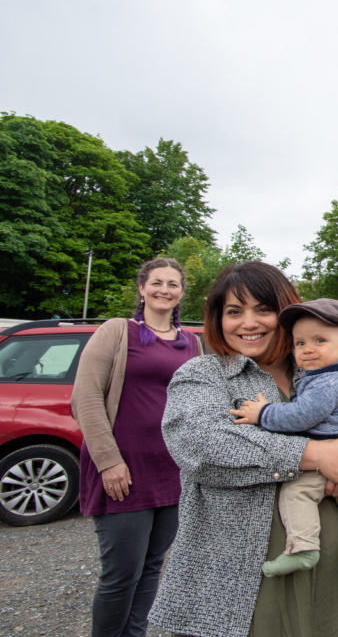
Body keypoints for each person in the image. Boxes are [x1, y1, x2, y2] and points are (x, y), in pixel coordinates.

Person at [148, 262, 338, 637]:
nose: (248, 323)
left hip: (333, 560)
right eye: (234, 312)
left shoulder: (317, 369)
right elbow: (202, 445)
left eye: (263, 309)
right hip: (242, 573)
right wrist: (318, 456)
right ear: (218, 319)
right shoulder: (205, 375)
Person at [71, 257, 200, 637]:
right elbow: (86, 397)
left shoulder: (190, 342)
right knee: (121, 573)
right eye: (156, 282)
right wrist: (109, 462)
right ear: (141, 288)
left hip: (171, 472)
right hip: (124, 471)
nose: (164, 290)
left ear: (181, 293)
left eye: (173, 284)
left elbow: (196, 402)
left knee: (151, 566)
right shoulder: (117, 331)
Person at [229, 298, 338, 591]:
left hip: (331, 453)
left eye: (319, 340)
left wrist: (262, 413)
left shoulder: (326, 382)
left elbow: (301, 416)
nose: (308, 350)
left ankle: (302, 547)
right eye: (300, 343)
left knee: (295, 493)